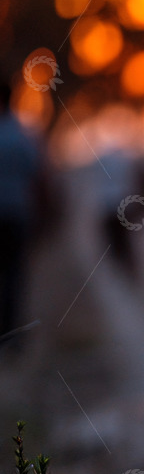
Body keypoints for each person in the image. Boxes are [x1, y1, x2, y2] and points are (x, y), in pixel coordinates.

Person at [0, 80, 46, 338]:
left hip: (12, 216)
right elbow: (38, 176)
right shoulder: (22, 135)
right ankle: (11, 333)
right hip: (17, 216)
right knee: (14, 277)